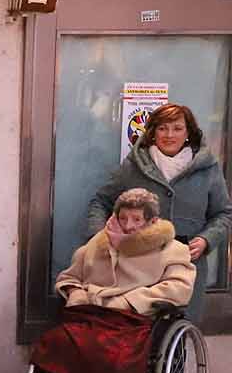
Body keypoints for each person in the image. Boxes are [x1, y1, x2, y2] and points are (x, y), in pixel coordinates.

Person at [22, 188, 195, 373]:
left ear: (152, 221)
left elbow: (178, 288)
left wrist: (131, 300)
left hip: (133, 319)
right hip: (90, 313)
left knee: (103, 347)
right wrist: (77, 294)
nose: (128, 226)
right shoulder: (98, 242)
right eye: (124, 218)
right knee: (58, 341)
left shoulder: (172, 249)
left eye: (137, 220)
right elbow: (69, 277)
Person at [89, 103, 230, 322]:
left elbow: (223, 213)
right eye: (162, 128)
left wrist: (206, 240)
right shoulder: (134, 166)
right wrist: (100, 239)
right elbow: (101, 201)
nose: (169, 134)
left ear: (189, 133)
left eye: (177, 128)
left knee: (177, 331)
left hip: (185, 264)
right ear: (153, 132)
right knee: (135, 332)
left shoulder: (207, 168)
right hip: (137, 263)